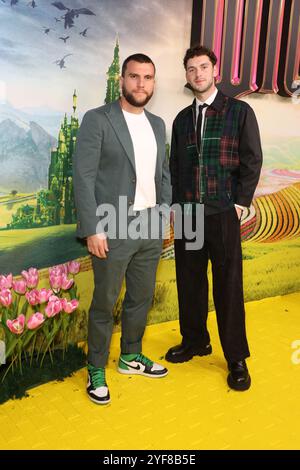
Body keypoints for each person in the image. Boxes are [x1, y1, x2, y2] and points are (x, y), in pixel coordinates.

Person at [73, 53, 172, 404]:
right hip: (112, 225)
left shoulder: (158, 124)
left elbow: (163, 174)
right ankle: (96, 367)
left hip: (150, 226)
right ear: (122, 81)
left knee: (140, 297)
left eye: (147, 77)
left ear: (154, 83)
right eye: (134, 77)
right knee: (104, 301)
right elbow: (82, 178)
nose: (140, 84)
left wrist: (162, 216)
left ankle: (131, 356)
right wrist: (93, 229)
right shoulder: (97, 120)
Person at [165, 45, 262, 391]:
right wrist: (176, 206)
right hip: (188, 214)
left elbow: (252, 160)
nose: (197, 74)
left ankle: (236, 357)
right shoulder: (180, 120)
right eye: (191, 69)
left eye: (203, 67)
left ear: (215, 71)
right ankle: (195, 341)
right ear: (187, 76)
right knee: (189, 281)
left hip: (223, 213)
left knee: (228, 286)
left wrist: (240, 204)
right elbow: (175, 168)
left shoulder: (239, 112)